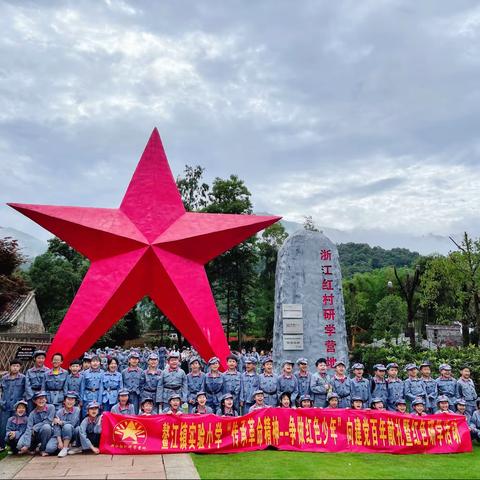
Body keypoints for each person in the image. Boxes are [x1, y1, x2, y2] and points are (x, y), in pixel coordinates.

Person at [17, 391, 55, 456]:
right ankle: (32, 446)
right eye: (38, 399)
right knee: (20, 445)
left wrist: (35, 427)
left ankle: (42, 449)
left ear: (46, 399)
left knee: (46, 427)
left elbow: (48, 421)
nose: (41, 400)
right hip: (36, 436)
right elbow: (29, 428)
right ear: (34, 401)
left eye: (43, 398)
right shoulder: (32, 414)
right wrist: (26, 445)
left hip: (48, 433)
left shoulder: (51, 407)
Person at [0, 358, 25, 451]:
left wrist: (22, 403)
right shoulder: (4, 378)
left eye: (17, 366)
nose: (15, 368)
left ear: (20, 368)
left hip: (17, 406)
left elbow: (25, 391)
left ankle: (15, 445)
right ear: (10, 367)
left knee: (16, 424)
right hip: (5, 405)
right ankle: (2, 445)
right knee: (3, 425)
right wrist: (1, 402)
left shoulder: (23, 378)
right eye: (13, 366)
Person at [46, 391, 80, 457]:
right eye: (68, 399)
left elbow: (72, 423)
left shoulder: (77, 410)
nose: (70, 402)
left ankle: (65, 448)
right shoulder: (59, 412)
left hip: (72, 433)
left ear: (75, 402)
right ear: (64, 401)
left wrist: (61, 422)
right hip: (61, 434)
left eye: (72, 399)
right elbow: (57, 427)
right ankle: (66, 447)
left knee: (68, 426)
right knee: (49, 449)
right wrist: (59, 441)